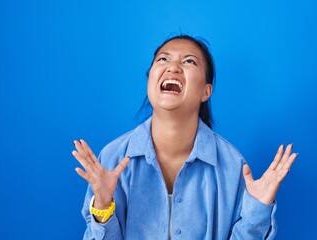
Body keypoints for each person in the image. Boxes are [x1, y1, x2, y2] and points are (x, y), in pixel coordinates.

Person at [72, 34, 298, 239]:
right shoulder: (113, 158)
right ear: (150, 78)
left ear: (205, 92)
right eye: (163, 60)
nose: (173, 67)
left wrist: (257, 211)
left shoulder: (232, 166)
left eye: (189, 61)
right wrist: (102, 207)